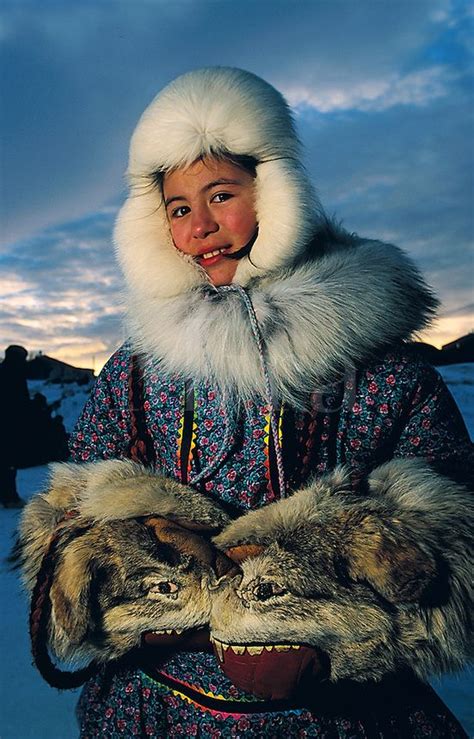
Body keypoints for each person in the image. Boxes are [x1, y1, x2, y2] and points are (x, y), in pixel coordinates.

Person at [48, 69, 474, 734]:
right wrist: (151, 564)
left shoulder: (379, 366)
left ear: (275, 192)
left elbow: (452, 537)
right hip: (159, 704)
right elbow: (68, 523)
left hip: (337, 714)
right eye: (180, 207)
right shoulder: (134, 373)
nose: (201, 227)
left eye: (222, 194)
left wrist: (318, 591)